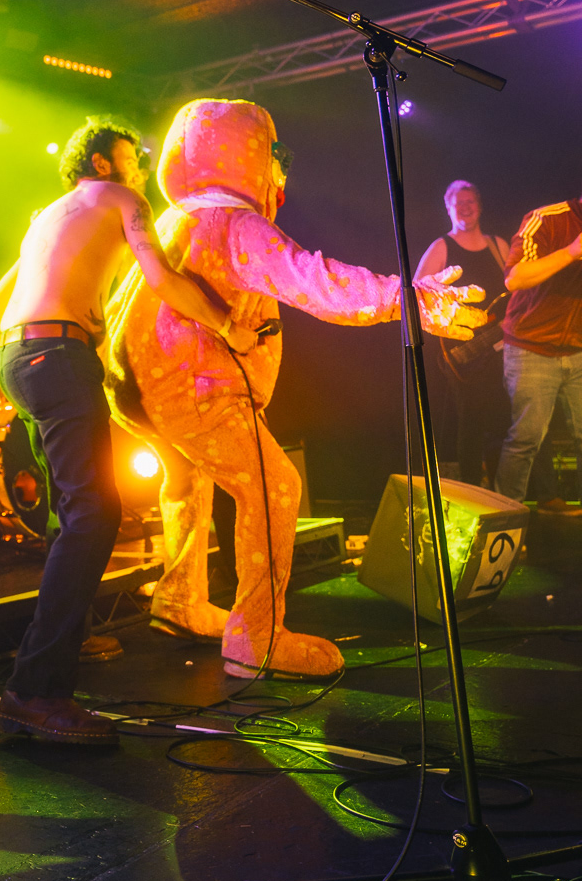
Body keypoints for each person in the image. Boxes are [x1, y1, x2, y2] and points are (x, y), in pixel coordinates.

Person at [106, 99, 486, 681]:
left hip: (139, 388)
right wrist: (409, 299)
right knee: (274, 486)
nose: (280, 175)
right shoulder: (233, 223)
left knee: (188, 479)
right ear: (247, 159)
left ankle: (179, 597)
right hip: (194, 385)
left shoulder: (173, 221)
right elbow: (314, 280)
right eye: (273, 159)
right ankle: (256, 637)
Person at [0, 118, 258, 744]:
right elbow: (162, 279)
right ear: (102, 162)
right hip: (57, 355)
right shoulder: (123, 198)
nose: (140, 169)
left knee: (67, 516)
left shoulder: (47, 217)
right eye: (132, 158)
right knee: (95, 516)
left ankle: (59, 654)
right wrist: (228, 326)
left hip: (16, 359)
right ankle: (34, 692)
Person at [414, 180, 511, 491]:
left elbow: (517, 289)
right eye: (459, 203)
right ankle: (472, 490)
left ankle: (502, 493)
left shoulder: (498, 245)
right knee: (471, 422)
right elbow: (418, 294)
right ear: (448, 208)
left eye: (470, 202)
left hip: (503, 349)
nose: (466, 208)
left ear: (479, 206)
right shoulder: (441, 247)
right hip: (463, 353)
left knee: (504, 421)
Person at [494, 193, 582, 507]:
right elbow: (515, 278)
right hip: (531, 348)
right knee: (526, 438)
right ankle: (503, 522)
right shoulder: (546, 218)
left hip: (578, 350)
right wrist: (571, 252)